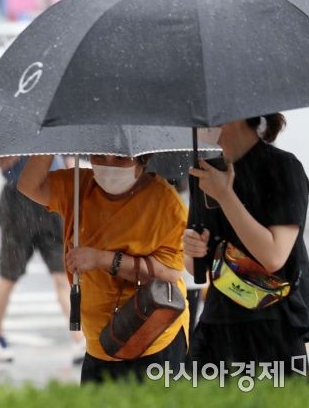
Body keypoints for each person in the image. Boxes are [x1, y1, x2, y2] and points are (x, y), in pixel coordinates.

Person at [18, 154, 190, 383]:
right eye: (100, 156)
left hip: (153, 339)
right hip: (99, 343)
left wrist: (102, 259)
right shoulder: (78, 186)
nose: (108, 165)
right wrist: (52, 141)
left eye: (120, 158)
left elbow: (169, 274)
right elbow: (28, 185)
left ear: (142, 161)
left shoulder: (165, 203)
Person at [184, 114, 309, 380]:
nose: (197, 122)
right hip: (217, 325)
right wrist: (191, 249)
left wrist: (225, 195)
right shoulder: (204, 172)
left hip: (272, 326)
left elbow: (273, 256)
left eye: (203, 116)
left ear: (233, 115)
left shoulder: (283, 167)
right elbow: (195, 267)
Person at [0, 156, 87, 364]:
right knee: (9, 276)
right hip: (18, 204)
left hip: (51, 200)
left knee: (63, 276)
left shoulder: (54, 126)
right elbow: (3, 164)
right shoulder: (14, 130)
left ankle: (79, 339)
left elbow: (68, 160)